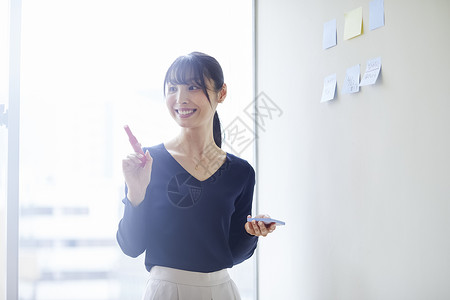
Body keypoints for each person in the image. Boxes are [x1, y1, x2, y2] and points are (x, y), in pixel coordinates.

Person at [117, 52, 276, 300]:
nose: (180, 98)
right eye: (172, 88)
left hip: (221, 290)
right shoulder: (147, 163)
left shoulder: (240, 172)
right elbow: (131, 246)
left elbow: (234, 254)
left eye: (192, 87)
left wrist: (250, 231)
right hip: (165, 291)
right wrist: (135, 193)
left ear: (221, 93)